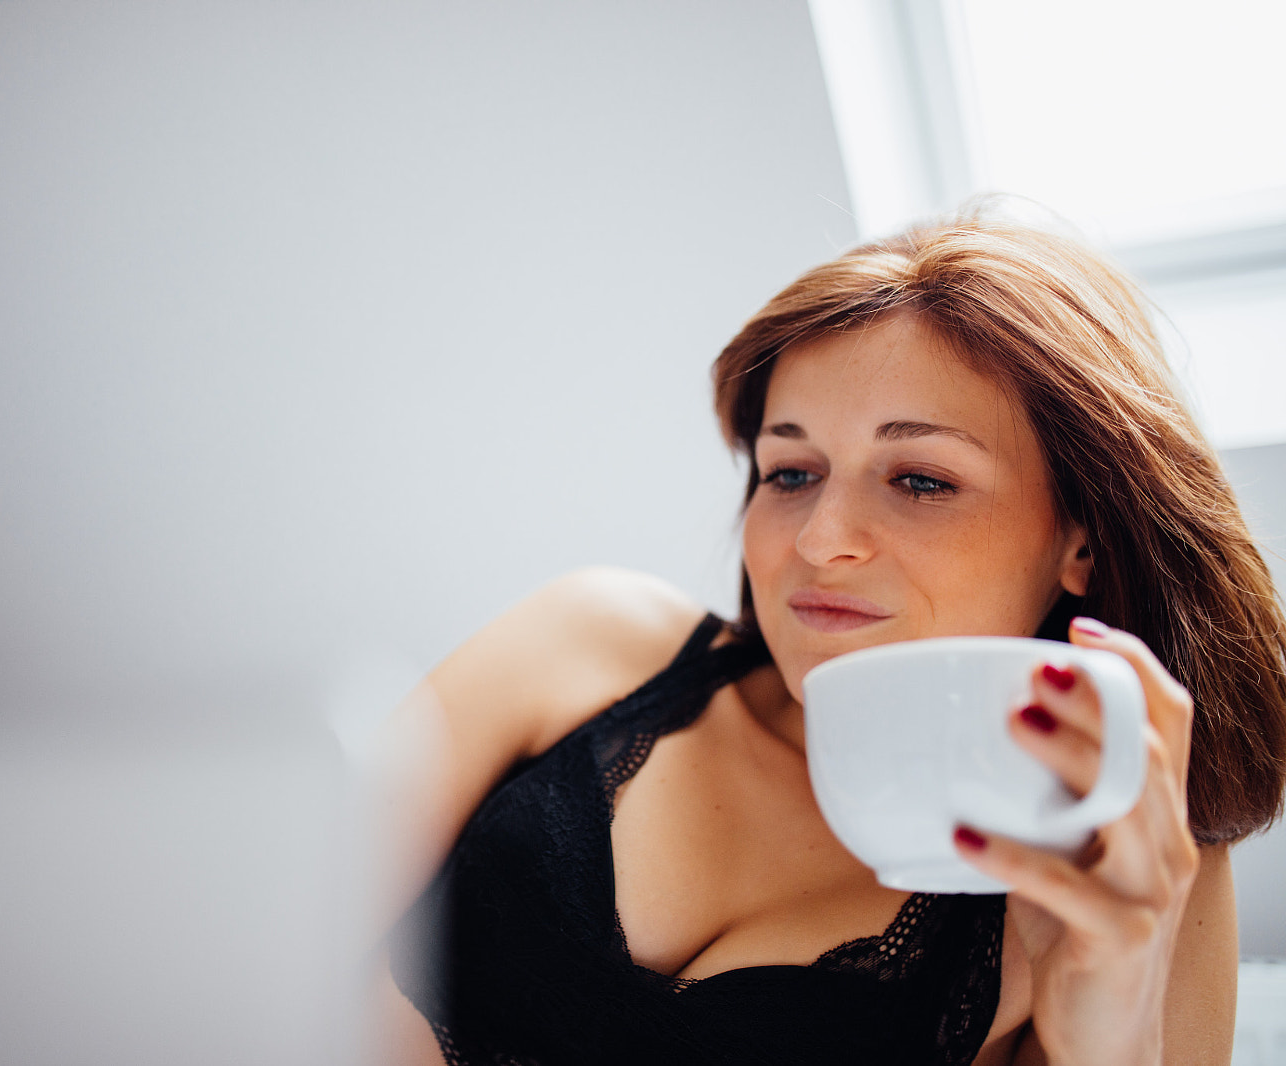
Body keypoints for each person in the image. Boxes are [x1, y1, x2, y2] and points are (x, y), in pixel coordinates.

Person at [372, 209, 1286, 1065]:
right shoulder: (591, 640)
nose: (818, 539)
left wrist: (1110, 1020)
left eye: (922, 480)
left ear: (1082, 539)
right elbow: (268, 905)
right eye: (791, 471)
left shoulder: (1139, 868)